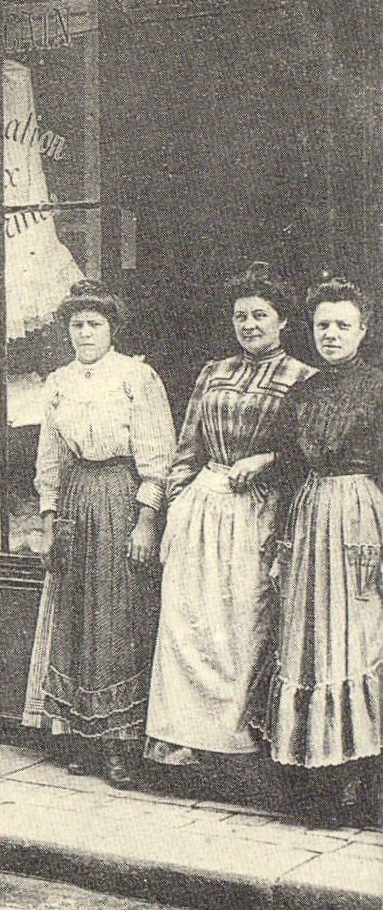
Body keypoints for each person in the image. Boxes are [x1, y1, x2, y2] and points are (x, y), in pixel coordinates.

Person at [144, 262, 315, 777]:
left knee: (242, 625)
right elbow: (187, 447)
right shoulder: (213, 372)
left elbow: (307, 455)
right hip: (201, 508)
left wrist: (267, 463)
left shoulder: (302, 378)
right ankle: (180, 744)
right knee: (187, 624)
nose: (249, 325)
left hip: (259, 512)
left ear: (283, 322)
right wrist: (173, 508)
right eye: (241, 316)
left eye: (260, 315)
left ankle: (234, 749)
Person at [21, 278, 175, 786]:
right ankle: (81, 734)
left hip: (119, 495)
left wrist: (146, 521)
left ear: (112, 329)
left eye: (95, 324)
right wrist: (49, 521)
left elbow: (158, 458)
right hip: (76, 498)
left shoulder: (137, 376)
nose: (84, 333)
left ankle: (120, 745)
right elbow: (50, 455)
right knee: (76, 613)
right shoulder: (59, 381)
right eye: (77, 325)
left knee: (117, 617)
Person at [264, 274, 382, 826]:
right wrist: (282, 538)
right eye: (322, 326)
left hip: (360, 514)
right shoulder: (303, 392)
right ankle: (316, 776)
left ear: (364, 329)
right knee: (310, 636)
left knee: (357, 634)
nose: (331, 335)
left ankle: (361, 779)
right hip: (312, 515)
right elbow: (288, 467)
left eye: (342, 325)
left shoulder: (378, 387)